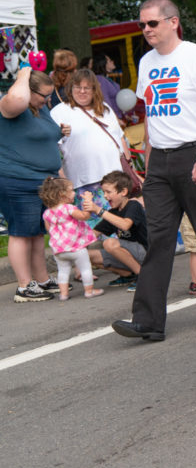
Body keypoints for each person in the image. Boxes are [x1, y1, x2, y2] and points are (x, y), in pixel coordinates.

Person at [111, 0, 196, 342]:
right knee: (159, 240)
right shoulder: (148, 61)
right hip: (161, 162)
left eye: (152, 23)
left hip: (195, 153)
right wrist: (150, 165)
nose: (146, 30)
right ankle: (148, 322)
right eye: (142, 24)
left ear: (172, 22)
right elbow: (152, 116)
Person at [0, 68, 68, 302]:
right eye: (43, 95)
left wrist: (59, 132)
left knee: (37, 233)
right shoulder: (10, 106)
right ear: (28, 90)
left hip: (42, 180)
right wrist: (23, 74)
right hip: (17, 180)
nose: (47, 100)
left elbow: (42, 137)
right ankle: (23, 286)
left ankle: (41, 279)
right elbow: (18, 98)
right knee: (20, 233)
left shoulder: (40, 109)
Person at [50, 68, 128, 227]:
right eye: (78, 87)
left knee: (117, 224)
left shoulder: (104, 108)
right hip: (83, 180)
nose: (82, 91)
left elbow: (119, 136)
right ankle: (98, 252)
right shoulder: (60, 111)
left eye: (87, 88)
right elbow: (52, 147)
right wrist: (62, 178)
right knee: (92, 228)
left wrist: (129, 163)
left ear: (94, 90)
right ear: (71, 89)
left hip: (114, 180)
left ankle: (113, 250)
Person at [38, 177, 104, 301]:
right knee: (85, 268)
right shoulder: (69, 208)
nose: (74, 193)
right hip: (76, 247)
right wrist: (88, 202)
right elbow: (84, 216)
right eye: (71, 190)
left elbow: (49, 230)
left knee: (62, 271)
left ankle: (63, 294)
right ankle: (89, 291)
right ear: (62, 194)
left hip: (59, 249)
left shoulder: (46, 213)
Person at [85, 170, 148, 288]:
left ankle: (143, 275)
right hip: (128, 255)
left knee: (109, 243)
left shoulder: (133, 205)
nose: (105, 196)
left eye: (108, 192)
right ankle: (129, 275)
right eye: (103, 192)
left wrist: (99, 210)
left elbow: (125, 225)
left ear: (123, 192)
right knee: (85, 255)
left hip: (146, 253)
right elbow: (91, 235)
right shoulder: (112, 213)